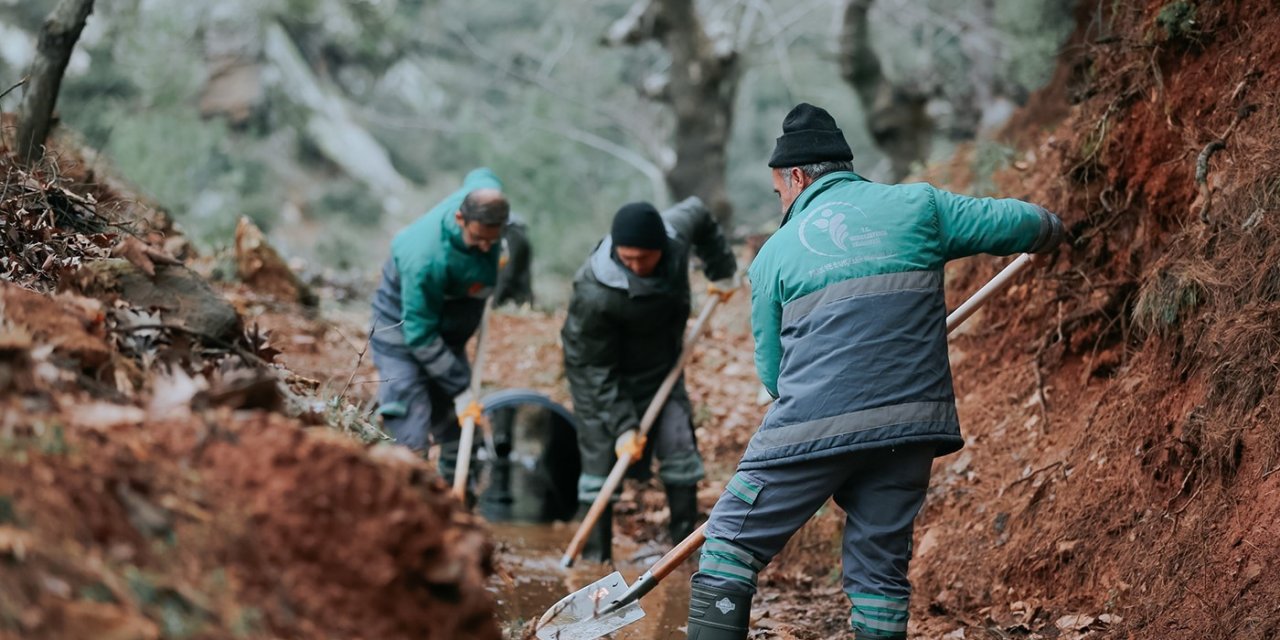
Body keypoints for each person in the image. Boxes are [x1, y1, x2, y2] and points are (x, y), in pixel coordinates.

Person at [684, 103, 1064, 639]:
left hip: (809, 427)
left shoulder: (773, 256)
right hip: (911, 427)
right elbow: (1013, 221)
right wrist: (1052, 228)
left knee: (728, 547)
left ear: (795, 177)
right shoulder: (919, 206)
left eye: (778, 194)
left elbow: (773, 377)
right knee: (879, 573)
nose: (781, 205)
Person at [561, 197, 737, 563]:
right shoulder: (593, 292)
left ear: (663, 247)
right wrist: (624, 425)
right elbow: (593, 369)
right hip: (603, 377)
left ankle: (684, 557)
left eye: (645, 258)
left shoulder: (676, 232)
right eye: (628, 259)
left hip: (661, 369)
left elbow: (701, 213)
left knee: (680, 450)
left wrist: (721, 269)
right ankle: (595, 563)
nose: (637, 266)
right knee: (600, 467)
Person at [369, 168, 509, 478]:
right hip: (401, 329)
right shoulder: (425, 258)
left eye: (493, 239)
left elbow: (483, 175)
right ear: (460, 218)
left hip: (446, 330)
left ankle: (455, 502)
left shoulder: (485, 202)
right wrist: (460, 388)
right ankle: (408, 502)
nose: (487, 247)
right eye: (478, 238)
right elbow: (418, 335)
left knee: (459, 429)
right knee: (409, 427)